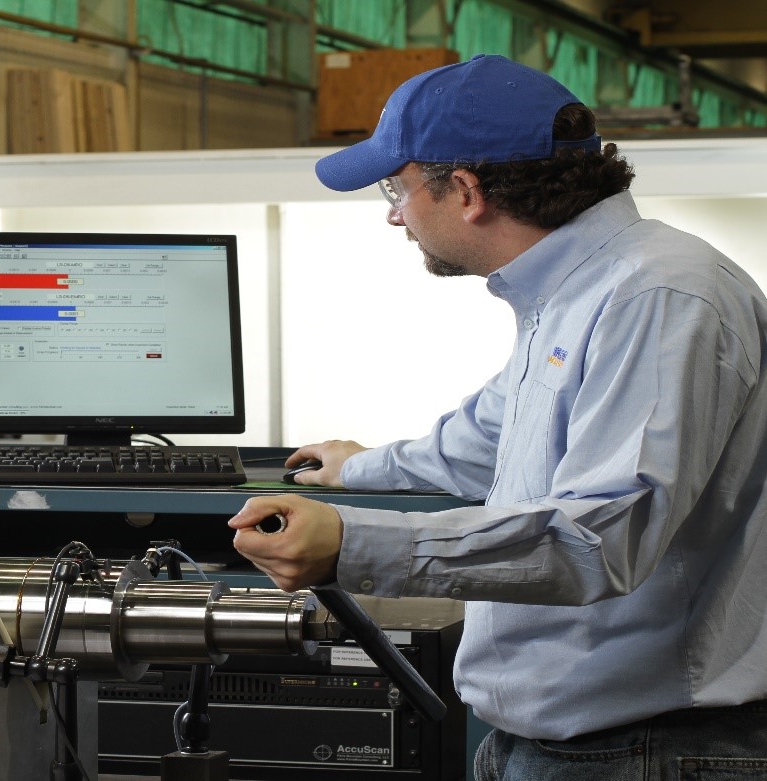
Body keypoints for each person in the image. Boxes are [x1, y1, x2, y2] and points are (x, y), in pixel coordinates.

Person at [229, 55, 767, 780]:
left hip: (645, 748)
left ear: (467, 190)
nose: (393, 213)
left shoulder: (658, 296)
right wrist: (360, 468)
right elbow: (496, 433)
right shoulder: (577, 286)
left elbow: (603, 535)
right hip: (558, 740)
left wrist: (354, 543)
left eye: (397, 188)